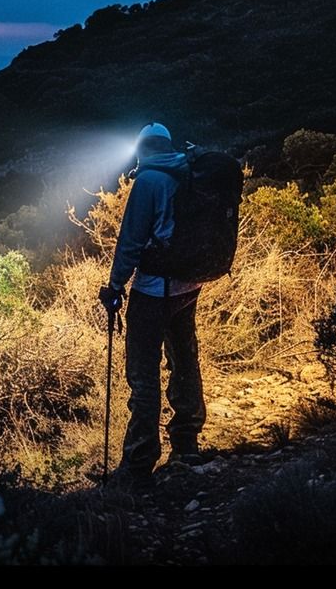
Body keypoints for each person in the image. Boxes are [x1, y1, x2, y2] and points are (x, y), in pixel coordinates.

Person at [99, 122, 209, 491]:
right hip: (188, 285)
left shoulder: (148, 182)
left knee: (143, 375)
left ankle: (138, 463)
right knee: (184, 359)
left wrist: (115, 287)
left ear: (141, 149)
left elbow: (130, 241)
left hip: (154, 290)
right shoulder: (187, 172)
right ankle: (186, 443)